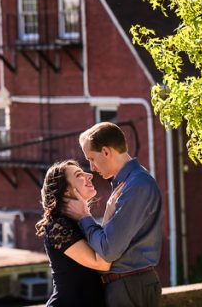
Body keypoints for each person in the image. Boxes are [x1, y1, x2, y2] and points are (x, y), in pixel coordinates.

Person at [63, 122, 162, 307]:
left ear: (106, 152)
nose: (92, 168)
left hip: (130, 285)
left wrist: (85, 217)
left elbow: (109, 249)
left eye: (92, 158)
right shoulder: (127, 183)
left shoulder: (136, 185)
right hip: (128, 284)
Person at [36, 159, 109, 307]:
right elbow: (101, 263)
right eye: (79, 175)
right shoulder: (58, 225)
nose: (89, 175)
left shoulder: (80, 222)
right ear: (67, 191)